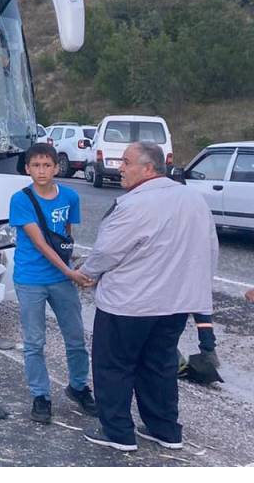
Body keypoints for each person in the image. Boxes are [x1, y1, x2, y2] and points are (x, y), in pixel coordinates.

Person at [76, 141, 219, 452]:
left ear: (149, 168)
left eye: (126, 162)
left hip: (129, 303)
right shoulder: (193, 200)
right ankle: (165, 430)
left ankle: (117, 432)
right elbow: (209, 250)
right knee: (159, 365)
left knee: (114, 366)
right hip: (175, 303)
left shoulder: (133, 205)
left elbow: (106, 252)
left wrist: (87, 274)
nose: (120, 168)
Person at [7, 143, 96, 424]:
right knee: (34, 342)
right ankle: (41, 396)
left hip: (61, 279)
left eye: (47, 165)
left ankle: (79, 387)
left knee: (76, 338)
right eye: (36, 166)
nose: (41, 171)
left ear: (57, 168)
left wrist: (70, 267)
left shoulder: (70, 197)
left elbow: (65, 236)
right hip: (31, 278)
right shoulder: (20, 199)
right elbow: (41, 243)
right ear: (27, 169)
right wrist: (70, 272)